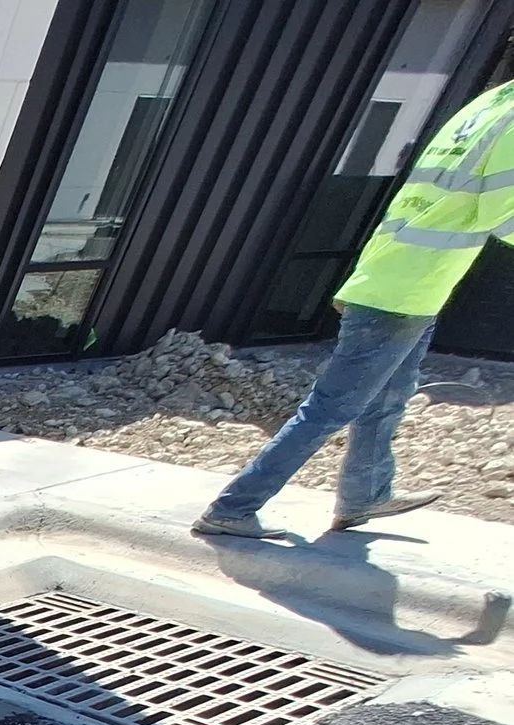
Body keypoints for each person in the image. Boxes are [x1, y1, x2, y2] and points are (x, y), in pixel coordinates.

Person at [195, 76, 514, 540]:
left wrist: (360, 275)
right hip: (404, 293)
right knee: (330, 409)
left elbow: (418, 199)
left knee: (387, 398)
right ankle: (232, 508)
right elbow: (503, 210)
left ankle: (365, 496)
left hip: (400, 282)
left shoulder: (489, 105)